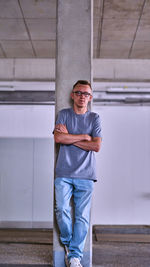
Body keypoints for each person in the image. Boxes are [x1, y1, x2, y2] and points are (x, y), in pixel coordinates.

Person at [54, 80, 102, 267]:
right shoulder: (64, 114)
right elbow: (58, 138)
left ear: (90, 98)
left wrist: (69, 138)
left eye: (86, 94)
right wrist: (83, 137)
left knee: (82, 216)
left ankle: (75, 257)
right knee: (62, 209)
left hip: (86, 174)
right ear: (72, 95)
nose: (83, 96)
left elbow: (96, 146)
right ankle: (68, 243)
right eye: (79, 93)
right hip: (63, 172)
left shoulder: (94, 118)